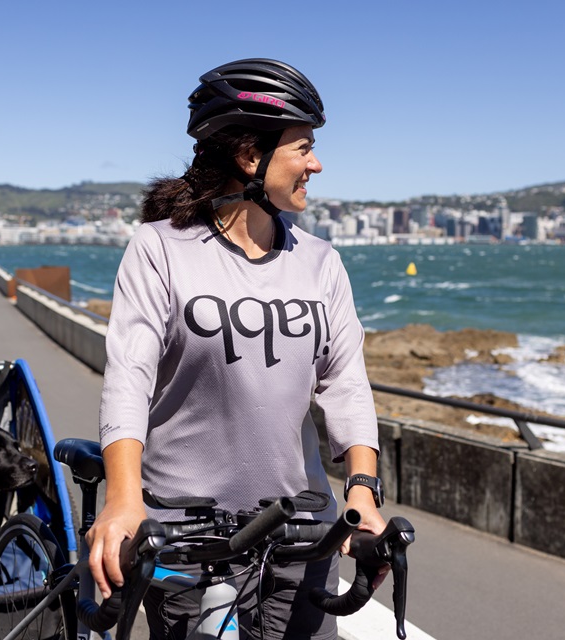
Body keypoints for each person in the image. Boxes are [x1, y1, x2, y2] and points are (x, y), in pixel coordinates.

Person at [87, 58, 386, 640]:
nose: (316, 163)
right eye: (302, 147)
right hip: (187, 533)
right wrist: (124, 500)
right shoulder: (160, 250)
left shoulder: (321, 261)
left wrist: (361, 492)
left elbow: (345, 383)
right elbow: (129, 377)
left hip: (299, 529)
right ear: (251, 157)